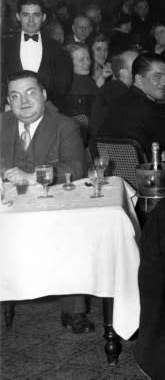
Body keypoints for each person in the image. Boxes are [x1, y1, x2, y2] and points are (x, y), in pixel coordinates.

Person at [1, 71, 91, 333]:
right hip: (8, 208)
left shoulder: (65, 125)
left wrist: (30, 177)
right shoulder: (2, 123)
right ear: (8, 100)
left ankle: (73, 310)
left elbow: (74, 169)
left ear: (44, 95)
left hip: (52, 204)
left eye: (30, 92)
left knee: (72, 230)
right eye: (15, 96)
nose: (24, 101)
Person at [98, 53, 165, 159]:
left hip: (112, 174)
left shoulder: (117, 102)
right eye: (157, 76)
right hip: (145, 174)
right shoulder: (150, 109)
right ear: (139, 79)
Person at [0, 0, 73, 107]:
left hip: (47, 112)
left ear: (43, 17)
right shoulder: (4, 46)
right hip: (10, 110)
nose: (31, 20)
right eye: (26, 15)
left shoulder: (57, 49)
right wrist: (5, 103)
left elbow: (62, 87)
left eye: (36, 15)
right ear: (18, 17)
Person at [91, 49, 138, 137]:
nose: (142, 69)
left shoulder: (110, 88)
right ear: (123, 72)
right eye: (136, 66)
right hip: (118, 147)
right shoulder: (123, 94)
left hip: (102, 146)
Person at [61, 43, 101, 134]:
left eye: (88, 58)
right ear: (68, 62)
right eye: (81, 60)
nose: (87, 63)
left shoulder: (85, 80)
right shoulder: (80, 82)